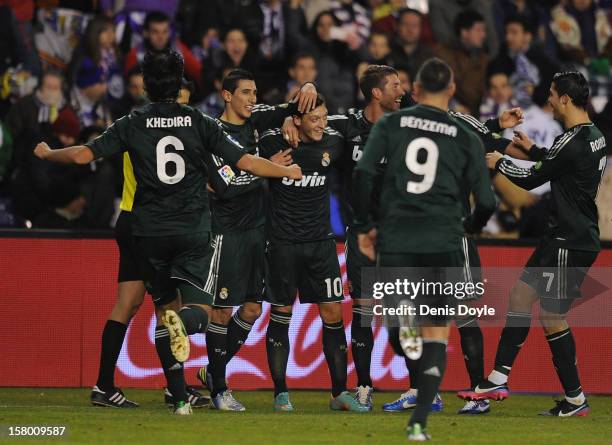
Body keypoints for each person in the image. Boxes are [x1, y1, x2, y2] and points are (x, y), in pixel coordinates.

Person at [34, 49, 302, 415]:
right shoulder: (198, 121)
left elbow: (84, 155)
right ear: (178, 85)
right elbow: (244, 161)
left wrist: (50, 153)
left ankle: (179, 399)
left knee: (164, 311)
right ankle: (180, 372)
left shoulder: (132, 121)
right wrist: (284, 171)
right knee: (201, 313)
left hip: (146, 232)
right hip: (190, 229)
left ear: (146, 85)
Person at [353, 58, 496, 440]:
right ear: (450, 91)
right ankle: (418, 422)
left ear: (415, 90)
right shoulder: (465, 135)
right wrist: (469, 228)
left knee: (403, 331)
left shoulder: (391, 124)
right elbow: (486, 200)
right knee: (438, 332)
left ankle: (405, 337)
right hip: (443, 242)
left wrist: (366, 225)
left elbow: (364, 173)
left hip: (398, 240)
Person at [466, 71, 606, 417]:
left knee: (552, 315)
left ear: (565, 100)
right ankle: (499, 376)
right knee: (521, 295)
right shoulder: (594, 135)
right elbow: (557, 163)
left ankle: (575, 399)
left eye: (553, 95)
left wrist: (501, 163)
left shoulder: (571, 140)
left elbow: (533, 179)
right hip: (568, 235)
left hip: (569, 239)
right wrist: (532, 149)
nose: (549, 101)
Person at [282, 64, 405, 410]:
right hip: (362, 233)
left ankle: (421, 388)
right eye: (395, 86)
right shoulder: (346, 124)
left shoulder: (408, 124)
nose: (402, 92)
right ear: (377, 93)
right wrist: (289, 119)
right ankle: (364, 385)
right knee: (364, 311)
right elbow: (310, 120)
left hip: (401, 234)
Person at [196, 68, 317, 411]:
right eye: (246, 93)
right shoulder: (212, 132)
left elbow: (295, 106)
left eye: (255, 92)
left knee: (251, 308)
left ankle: (211, 371)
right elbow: (226, 187)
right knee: (221, 313)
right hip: (226, 234)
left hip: (258, 232)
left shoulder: (257, 118)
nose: (252, 98)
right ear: (227, 95)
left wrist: (307, 86)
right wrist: (269, 168)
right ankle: (220, 389)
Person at [89, 79, 210, 409]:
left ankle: (103, 385)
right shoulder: (164, 131)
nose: (182, 111)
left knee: (126, 304)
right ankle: (175, 390)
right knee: (168, 308)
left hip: (129, 220)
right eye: (179, 102)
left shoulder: (134, 125)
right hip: (151, 225)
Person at [259, 94, 369, 413]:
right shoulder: (272, 144)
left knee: (333, 314)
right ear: (297, 121)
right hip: (282, 242)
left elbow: (356, 124)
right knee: (281, 314)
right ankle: (281, 393)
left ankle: (338, 393)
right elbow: (247, 146)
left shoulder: (333, 141)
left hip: (321, 243)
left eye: (324, 117)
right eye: (314, 119)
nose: (321, 124)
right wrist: (281, 121)